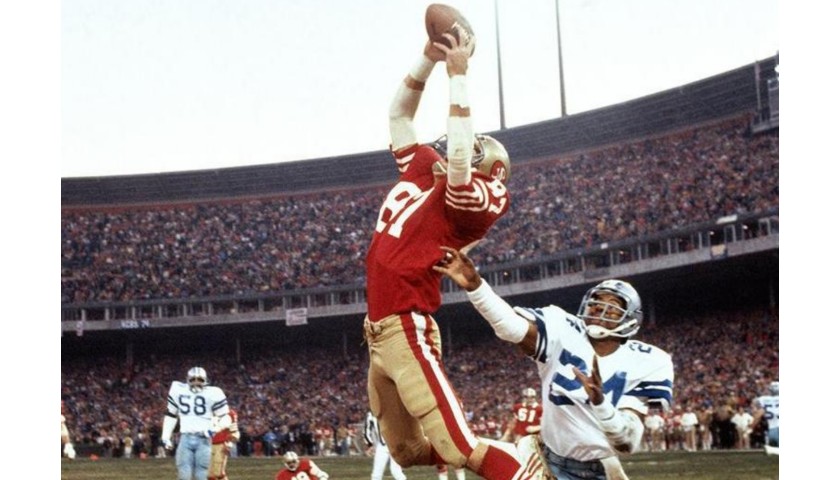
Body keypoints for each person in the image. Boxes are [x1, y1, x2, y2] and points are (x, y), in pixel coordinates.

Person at [363, 18, 537, 480]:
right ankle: (516, 455)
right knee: (404, 450)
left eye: (480, 144)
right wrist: (427, 58)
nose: (467, 143)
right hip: (377, 333)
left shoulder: (483, 193)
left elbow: (461, 164)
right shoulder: (423, 167)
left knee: (462, 449)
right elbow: (398, 116)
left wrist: (457, 75)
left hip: (407, 326)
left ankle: (525, 472)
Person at [434, 248, 674, 480]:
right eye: (597, 302)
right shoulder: (563, 328)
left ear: (630, 318)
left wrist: (600, 403)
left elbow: (627, 443)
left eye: (611, 306)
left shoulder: (649, 361)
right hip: (545, 456)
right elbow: (511, 327)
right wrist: (477, 287)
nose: (600, 308)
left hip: (598, 468)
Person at [161, 366, 231, 480]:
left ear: (206, 381)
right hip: (185, 437)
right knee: (184, 474)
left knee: (202, 474)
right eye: (193, 380)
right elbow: (171, 414)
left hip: (203, 439)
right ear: (187, 380)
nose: (196, 383)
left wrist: (214, 429)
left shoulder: (213, 393)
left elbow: (226, 418)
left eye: (200, 380)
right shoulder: (178, 390)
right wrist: (165, 436)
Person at [364, 411, 407, 480]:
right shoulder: (372, 414)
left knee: (395, 471)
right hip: (385, 445)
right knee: (378, 473)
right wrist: (369, 444)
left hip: (394, 445)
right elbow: (367, 430)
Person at [209, 408, 240, 480]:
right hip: (207, 444)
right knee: (209, 474)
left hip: (221, 444)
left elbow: (234, 431)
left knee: (219, 473)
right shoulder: (207, 411)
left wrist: (229, 443)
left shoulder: (230, 413)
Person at [751, 380, 779, 454]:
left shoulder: (763, 399)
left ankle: (771, 450)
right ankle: (771, 450)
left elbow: (756, 406)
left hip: (772, 431)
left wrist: (751, 426)